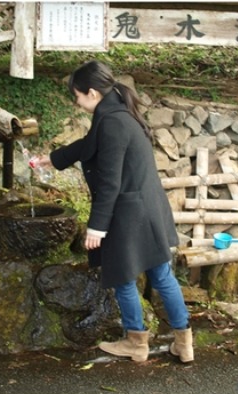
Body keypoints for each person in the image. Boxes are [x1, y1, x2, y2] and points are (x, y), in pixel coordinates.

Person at [37, 60, 192, 364]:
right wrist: (53, 159)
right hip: (147, 207)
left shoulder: (111, 121)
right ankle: (184, 344)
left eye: (77, 96)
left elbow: (109, 181)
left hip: (129, 211)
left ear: (92, 93)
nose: (76, 101)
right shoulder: (117, 112)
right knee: (162, 276)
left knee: (122, 278)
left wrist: (97, 227)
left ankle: (136, 343)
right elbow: (89, 146)